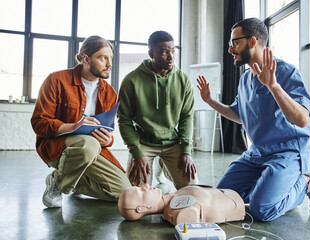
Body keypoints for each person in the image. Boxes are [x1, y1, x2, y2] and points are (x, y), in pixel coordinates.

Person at [196, 18, 310, 221]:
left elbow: (302, 119)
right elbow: (239, 116)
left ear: (252, 42)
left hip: (287, 153)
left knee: (262, 209)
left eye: (235, 43)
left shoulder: (286, 72)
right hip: (257, 154)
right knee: (222, 197)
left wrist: (273, 86)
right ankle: (271, 185)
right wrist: (210, 101)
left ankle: (305, 180)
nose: (231, 49)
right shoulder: (245, 80)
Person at [31, 35, 131, 208]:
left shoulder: (110, 93)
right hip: (57, 146)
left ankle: (72, 177)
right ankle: (57, 183)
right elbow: (39, 123)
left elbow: (108, 131)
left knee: (124, 193)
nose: (110, 64)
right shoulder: (56, 80)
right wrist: (74, 126)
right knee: (88, 145)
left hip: (91, 150)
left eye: (111, 58)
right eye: (103, 58)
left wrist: (109, 140)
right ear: (86, 59)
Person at [117, 31, 198, 189]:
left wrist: (186, 150)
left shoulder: (183, 80)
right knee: (139, 196)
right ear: (150, 53)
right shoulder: (131, 81)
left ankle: (164, 163)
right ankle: (159, 161)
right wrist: (137, 154)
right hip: (143, 144)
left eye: (173, 51)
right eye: (164, 52)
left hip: (172, 142)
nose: (170, 56)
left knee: (193, 190)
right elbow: (124, 120)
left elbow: (186, 117)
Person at [118, 184, 245, 225]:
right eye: (141, 192)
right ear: (142, 208)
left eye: (140, 187)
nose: (145, 186)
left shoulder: (176, 196)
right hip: (237, 205)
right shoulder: (181, 213)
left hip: (230, 193)